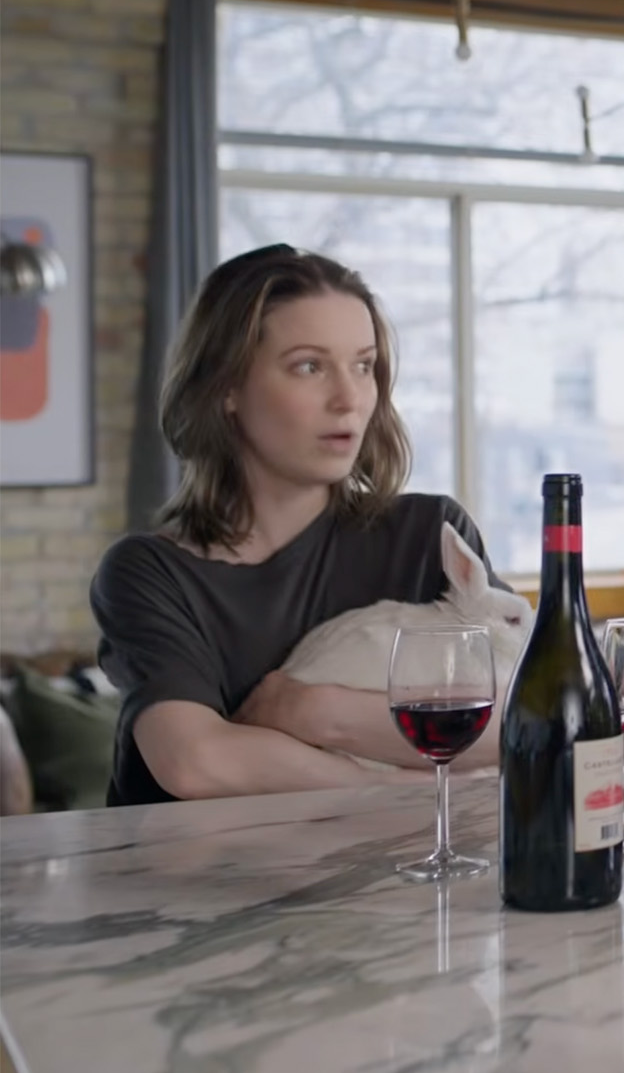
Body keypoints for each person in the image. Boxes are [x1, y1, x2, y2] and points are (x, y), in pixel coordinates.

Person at [92, 244, 516, 805]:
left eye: (363, 365)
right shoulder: (149, 573)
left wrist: (312, 711)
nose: (349, 399)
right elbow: (195, 763)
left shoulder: (428, 536)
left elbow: (533, 718)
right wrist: (396, 788)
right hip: (195, 865)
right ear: (226, 387)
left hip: (393, 864)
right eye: (309, 366)